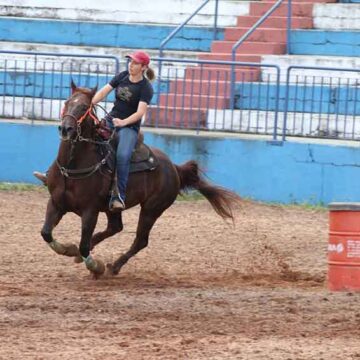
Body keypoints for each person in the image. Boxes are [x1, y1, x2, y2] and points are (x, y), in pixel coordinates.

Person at [34, 50, 155, 211]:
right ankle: (51, 174)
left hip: (129, 127)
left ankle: (118, 195)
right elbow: (104, 91)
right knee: (77, 136)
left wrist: (123, 122)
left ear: (143, 67)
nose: (130, 65)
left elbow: (140, 112)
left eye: (135, 63)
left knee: (122, 155)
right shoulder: (123, 76)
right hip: (111, 119)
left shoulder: (146, 87)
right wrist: (89, 105)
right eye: (130, 62)